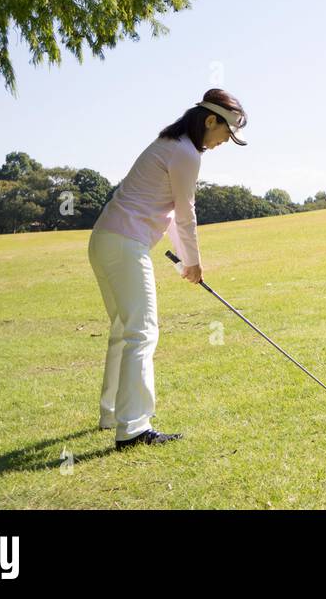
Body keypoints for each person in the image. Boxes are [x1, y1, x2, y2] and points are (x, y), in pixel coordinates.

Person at [88, 88, 248, 449]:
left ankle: (113, 412)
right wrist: (193, 262)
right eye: (226, 133)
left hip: (104, 240)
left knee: (124, 329)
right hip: (125, 245)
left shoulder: (169, 143)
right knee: (142, 333)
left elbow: (174, 214)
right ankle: (133, 428)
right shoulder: (186, 153)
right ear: (210, 120)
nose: (226, 141)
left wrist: (187, 262)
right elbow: (187, 212)